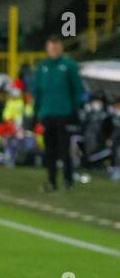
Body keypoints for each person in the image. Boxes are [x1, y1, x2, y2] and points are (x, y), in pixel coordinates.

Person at [31, 36, 87, 192]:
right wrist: (36, 114)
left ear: (61, 47)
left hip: (64, 113)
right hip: (47, 114)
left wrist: (75, 109)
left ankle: (68, 180)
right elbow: (37, 91)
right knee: (49, 150)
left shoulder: (69, 65)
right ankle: (51, 181)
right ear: (47, 48)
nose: (53, 50)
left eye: (56, 47)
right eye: (51, 47)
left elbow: (78, 89)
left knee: (64, 149)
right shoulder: (42, 66)